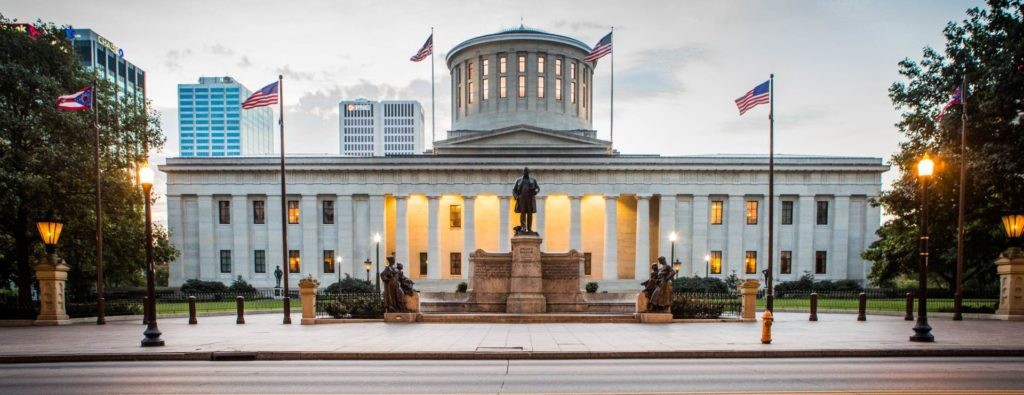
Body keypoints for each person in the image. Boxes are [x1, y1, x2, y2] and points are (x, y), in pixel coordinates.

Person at [512, 167, 540, 234]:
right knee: (523, 213)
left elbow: (538, 188)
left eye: (527, 171)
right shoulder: (518, 180)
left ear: (528, 172)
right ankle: (523, 227)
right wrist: (516, 197)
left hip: (530, 198)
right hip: (521, 198)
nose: (525, 173)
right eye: (524, 171)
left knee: (530, 214)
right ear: (523, 172)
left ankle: (529, 228)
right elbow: (514, 190)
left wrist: (535, 192)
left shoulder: (533, 180)